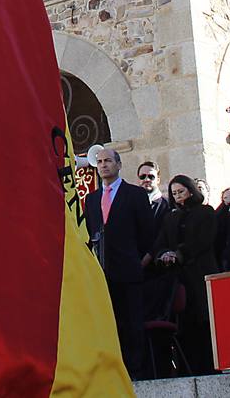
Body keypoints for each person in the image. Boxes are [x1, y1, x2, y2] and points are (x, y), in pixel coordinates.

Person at [83, 148, 161, 380]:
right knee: (108, 324)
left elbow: (148, 234)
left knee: (132, 324)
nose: (104, 165)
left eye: (108, 161)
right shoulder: (92, 198)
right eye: (100, 162)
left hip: (129, 271)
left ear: (118, 164)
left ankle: (134, 371)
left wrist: (141, 262)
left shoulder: (135, 194)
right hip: (102, 272)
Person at [146, 175, 219, 374]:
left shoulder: (205, 212)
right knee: (185, 326)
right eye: (174, 193)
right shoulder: (170, 217)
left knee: (205, 323)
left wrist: (180, 254)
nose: (178, 196)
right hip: (179, 279)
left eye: (181, 191)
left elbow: (203, 241)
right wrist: (164, 255)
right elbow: (161, 242)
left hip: (200, 275)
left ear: (191, 190)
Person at [136, 161, 169, 227]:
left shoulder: (168, 204)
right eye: (142, 176)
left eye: (151, 177)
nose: (146, 179)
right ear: (138, 180)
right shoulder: (131, 203)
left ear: (158, 180)